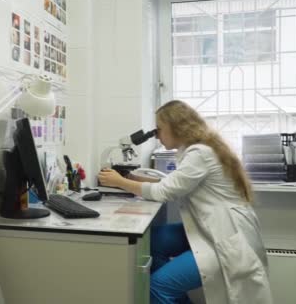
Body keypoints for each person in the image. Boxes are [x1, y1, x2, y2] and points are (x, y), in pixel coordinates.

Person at [98, 100, 272, 304]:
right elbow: (176, 183)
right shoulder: (199, 149)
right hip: (209, 227)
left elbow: (164, 192)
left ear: (177, 127)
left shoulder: (199, 153)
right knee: (151, 243)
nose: (157, 135)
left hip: (224, 238)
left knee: (156, 286)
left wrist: (120, 182)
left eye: (160, 129)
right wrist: (135, 180)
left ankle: (164, 291)